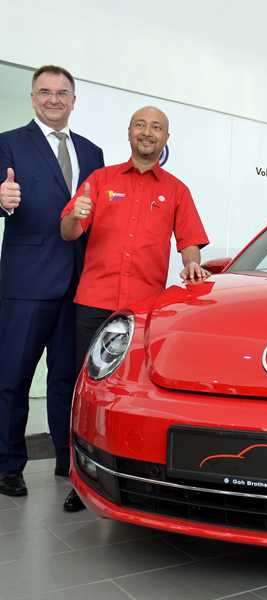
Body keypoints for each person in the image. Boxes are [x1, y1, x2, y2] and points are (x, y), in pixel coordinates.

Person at [59, 105, 210, 511]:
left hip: (143, 314)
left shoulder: (177, 190)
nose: (148, 132)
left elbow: (190, 242)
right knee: (86, 394)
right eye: (141, 125)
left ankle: (133, 474)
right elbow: (69, 230)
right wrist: (75, 216)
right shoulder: (100, 180)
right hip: (94, 302)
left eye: (156, 127)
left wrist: (192, 263)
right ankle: (80, 478)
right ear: (129, 133)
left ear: (165, 139)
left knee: (131, 396)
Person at [0, 66, 104, 506]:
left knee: (67, 379)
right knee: (13, 377)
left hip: (79, 285)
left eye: (62, 93)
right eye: (45, 92)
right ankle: (8, 464)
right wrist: (0, 199)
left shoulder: (92, 151)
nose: (53, 99)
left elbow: (99, 216)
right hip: (26, 282)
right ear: (32, 98)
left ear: (74, 100)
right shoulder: (8, 142)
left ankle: (67, 458)